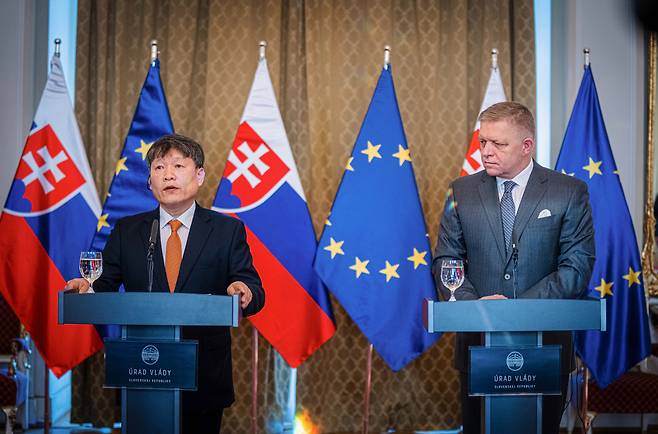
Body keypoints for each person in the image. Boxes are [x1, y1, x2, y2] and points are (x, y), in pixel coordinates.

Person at [66, 133, 265, 434]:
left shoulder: (227, 230)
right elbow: (103, 283)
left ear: (199, 175)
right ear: (149, 181)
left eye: (178, 166)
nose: (168, 175)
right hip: (142, 371)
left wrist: (244, 290)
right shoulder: (128, 230)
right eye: (158, 168)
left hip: (204, 374)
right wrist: (87, 287)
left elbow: (254, 288)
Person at [433, 102, 595, 434]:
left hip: (545, 350)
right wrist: (475, 308)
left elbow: (576, 268)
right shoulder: (460, 192)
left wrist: (516, 310)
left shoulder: (569, 193)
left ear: (526, 146)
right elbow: (447, 260)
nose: (486, 151)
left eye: (499, 144)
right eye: (483, 142)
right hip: (477, 345)